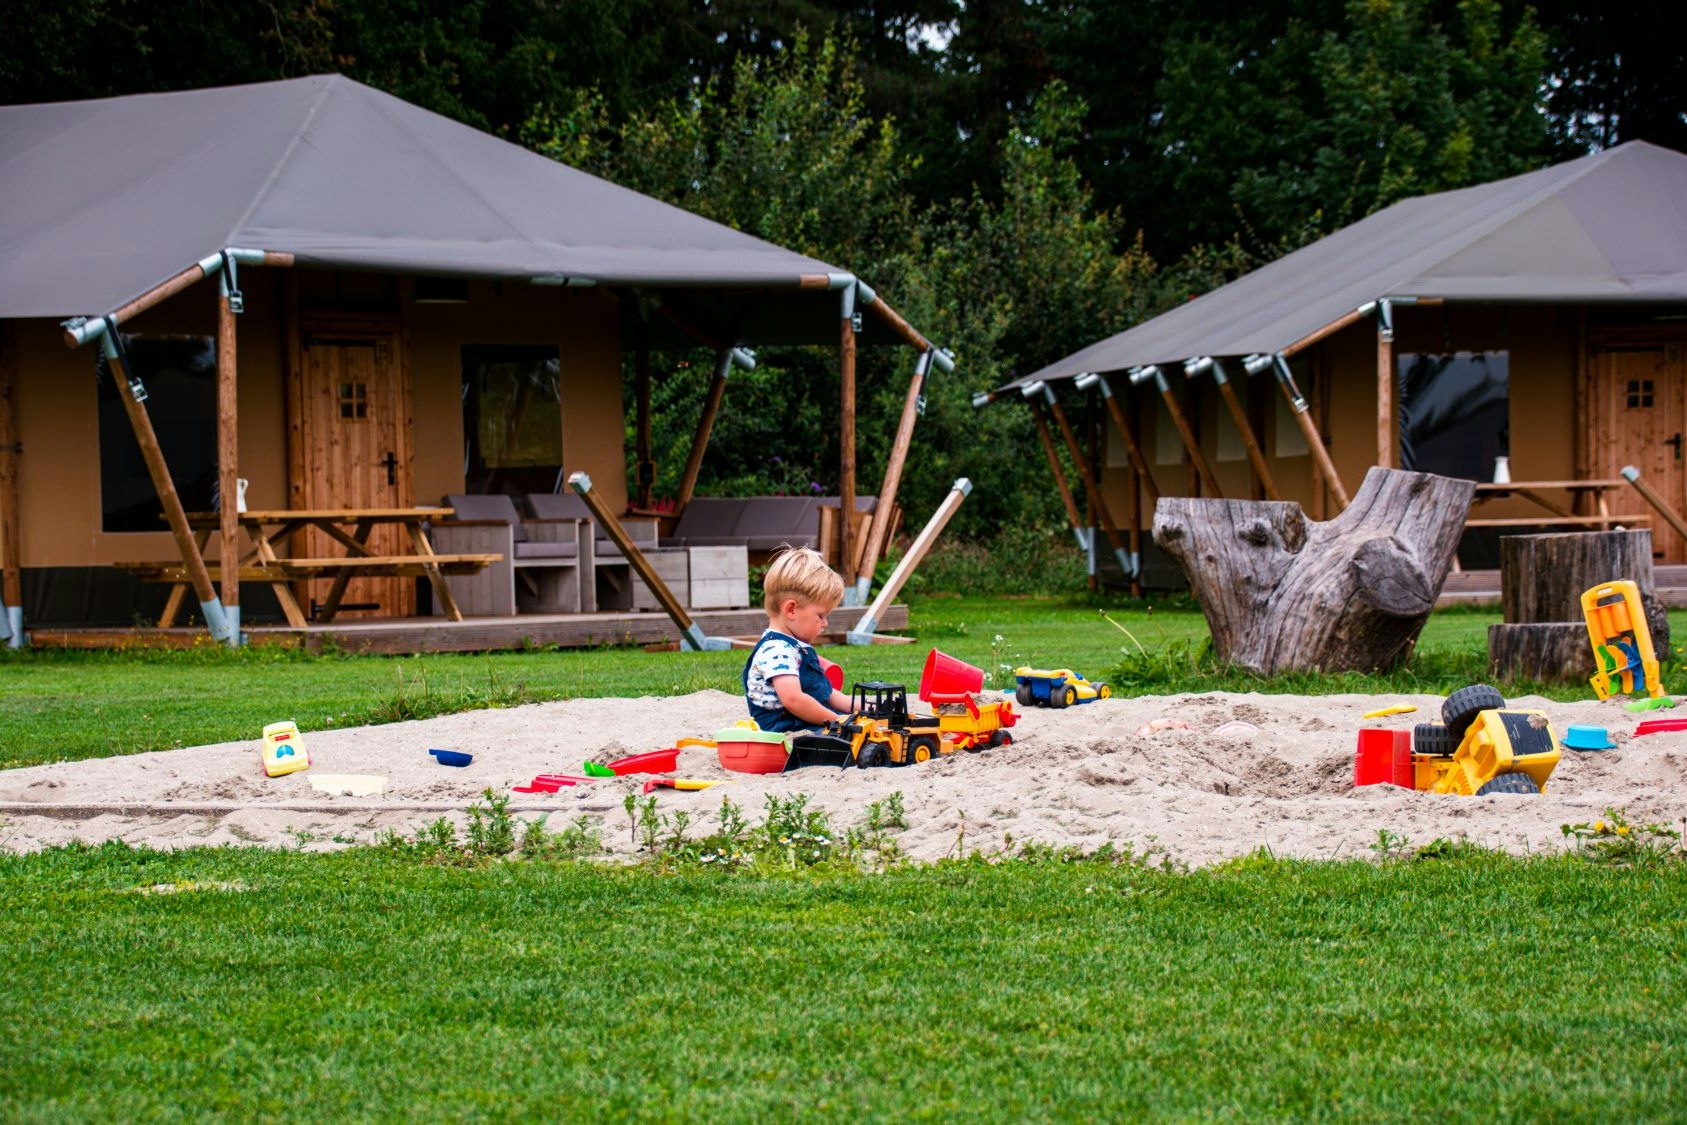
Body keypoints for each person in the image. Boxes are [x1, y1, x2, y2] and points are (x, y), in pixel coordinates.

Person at [743, 546, 852, 732]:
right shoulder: (777, 650)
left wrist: (863, 707)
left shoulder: (794, 647)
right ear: (791, 610)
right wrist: (840, 721)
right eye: (821, 615)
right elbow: (794, 700)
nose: (825, 623)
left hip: (809, 721)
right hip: (788, 728)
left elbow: (826, 694)